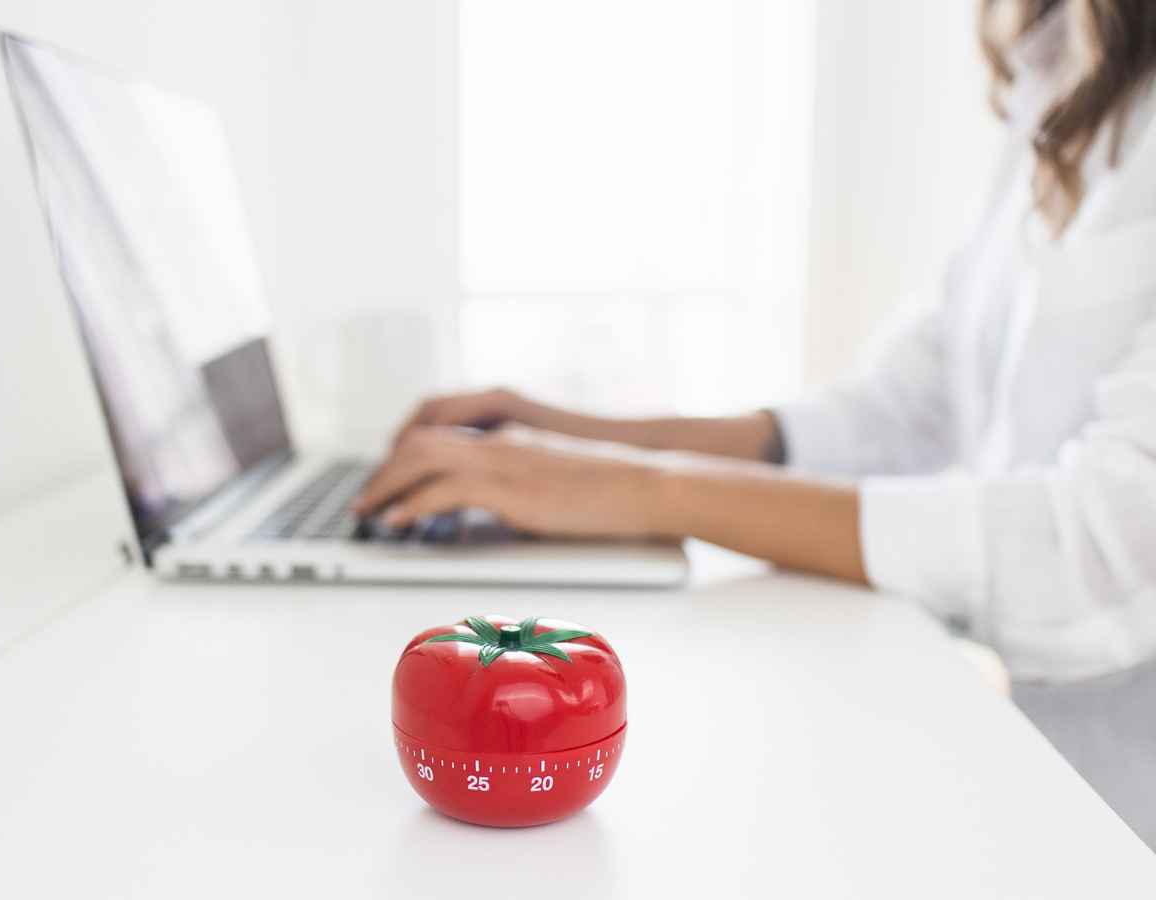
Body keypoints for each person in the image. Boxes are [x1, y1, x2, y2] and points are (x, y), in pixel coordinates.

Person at [355, 0, 1156, 683]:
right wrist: (573, 442)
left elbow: (1090, 542)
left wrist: (632, 488)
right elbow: (914, 402)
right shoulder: (1068, 61)